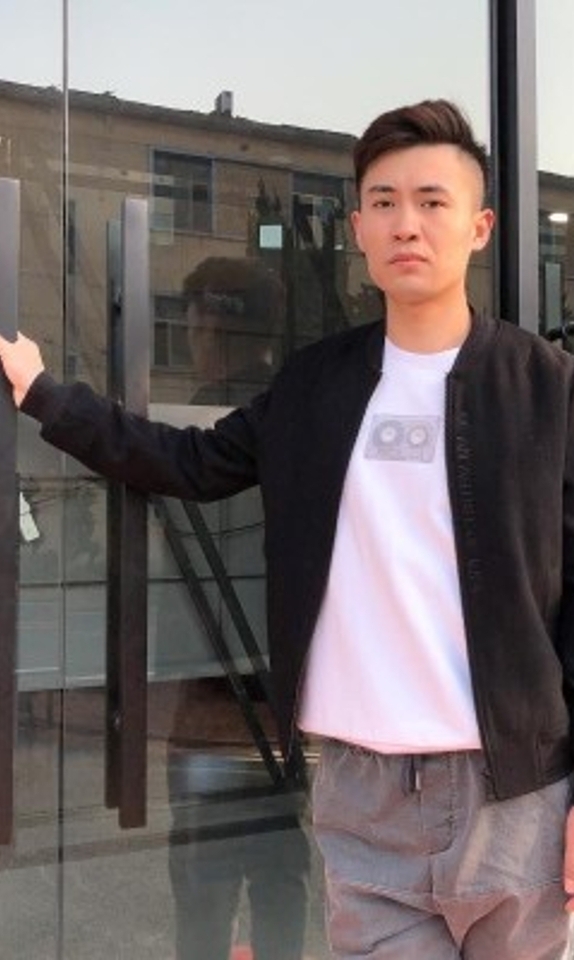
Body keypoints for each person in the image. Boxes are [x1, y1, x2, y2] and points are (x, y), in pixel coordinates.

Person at [0, 99, 574, 960]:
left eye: (432, 201)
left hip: (515, 791)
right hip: (359, 792)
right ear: (358, 227)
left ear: (479, 227)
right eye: (383, 202)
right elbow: (188, 462)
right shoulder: (315, 387)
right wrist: (45, 394)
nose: (406, 223)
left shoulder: (551, 389)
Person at [160, 257, 310, 960]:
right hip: (285, 697)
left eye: (193, 325)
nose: (191, 338)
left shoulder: (217, 418)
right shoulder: (294, 407)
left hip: (215, 700)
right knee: (280, 874)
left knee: (204, 880)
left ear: (217, 326)